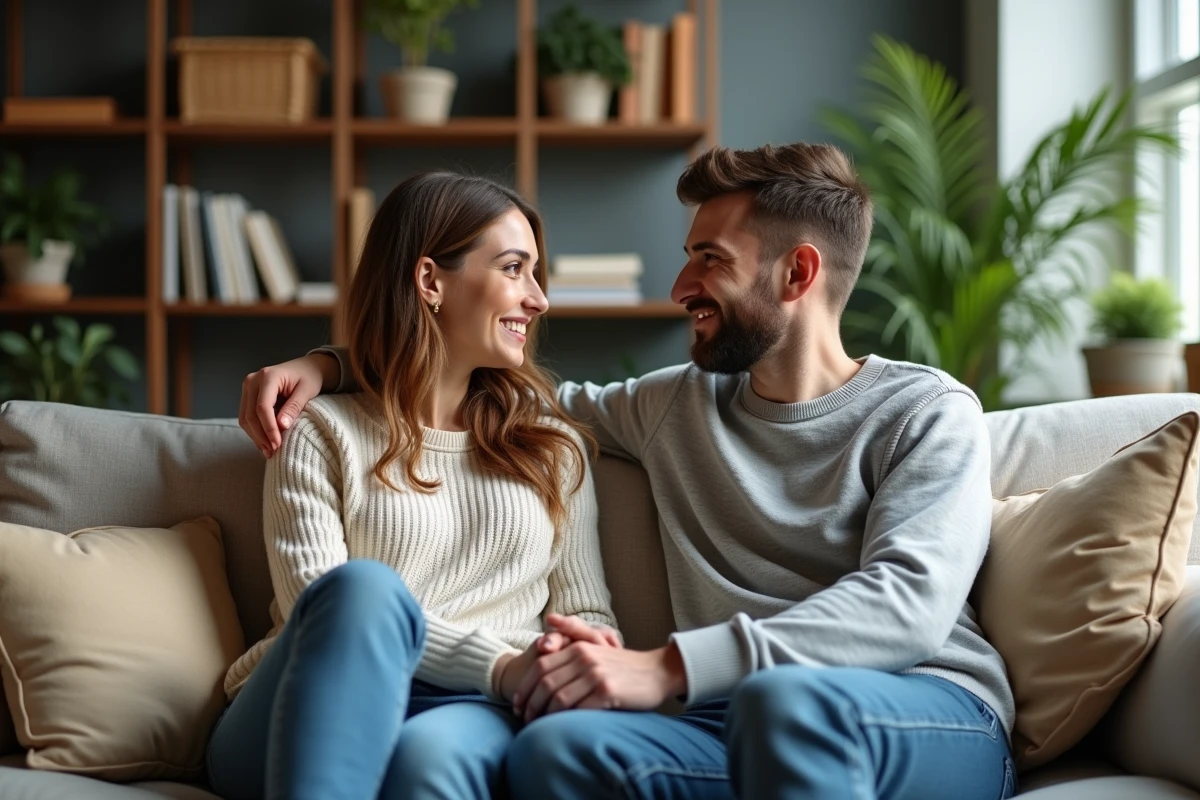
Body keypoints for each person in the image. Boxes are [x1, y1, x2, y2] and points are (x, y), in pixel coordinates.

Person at [238, 142, 1017, 800]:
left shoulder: (925, 411)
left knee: (788, 705)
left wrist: (670, 666)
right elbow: (482, 390)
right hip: (725, 718)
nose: (681, 290)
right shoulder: (671, 406)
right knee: (559, 753)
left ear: (798, 273)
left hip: (922, 705)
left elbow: (908, 606)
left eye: (708, 261)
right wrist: (330, 364)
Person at [208, 171, 620, 800]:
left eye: (537, 274)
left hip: (474, 708)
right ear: (430, 281)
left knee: (430, 761)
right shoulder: (320, 431)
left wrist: (581, 656)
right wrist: (502, 665)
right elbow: (320, 614)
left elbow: (585, 610)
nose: (538, 299)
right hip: (298, 702)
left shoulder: (552, 448)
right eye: (514, 269)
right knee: (363, 590)